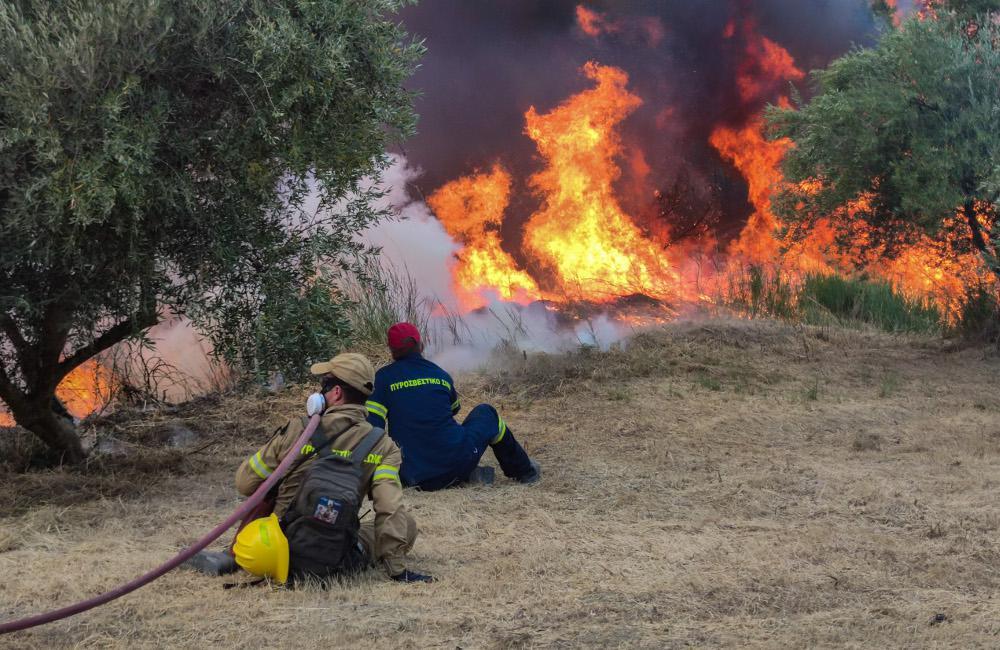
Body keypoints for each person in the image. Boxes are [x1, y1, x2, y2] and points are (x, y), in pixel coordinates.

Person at [188, 352, 432, 583]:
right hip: (335, 553)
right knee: (406, 524)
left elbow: (245, 483)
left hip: (273, 548)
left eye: (324, 386)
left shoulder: (298, 429)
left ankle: (236, 554)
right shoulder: (383, 445)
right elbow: (389, 507)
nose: (320, 393)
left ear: (336, 393)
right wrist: (397, 568)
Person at [365, 322, 540, 490]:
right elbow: (454, 409)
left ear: (392, 350)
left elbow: (373, 427)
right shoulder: (439, 374)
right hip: (456, 464)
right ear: (421, 344)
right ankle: (525, 471)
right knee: (487, 413)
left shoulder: (382, 378)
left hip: (412, 474)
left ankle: (465, 475)